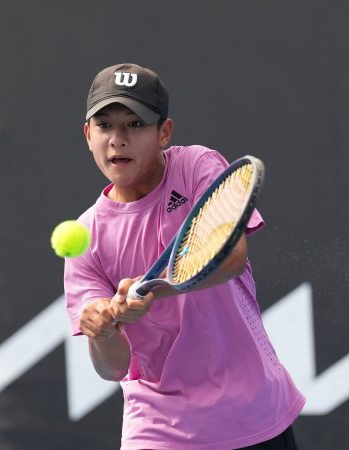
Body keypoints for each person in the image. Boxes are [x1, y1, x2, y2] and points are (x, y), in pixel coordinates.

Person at [63, 63, 304, 450]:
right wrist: (103, 330)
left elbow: (231, 258)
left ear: (164, 133)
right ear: (88, 134)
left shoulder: (196, 168)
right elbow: (113, 368)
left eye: (135, 125)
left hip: (253, 412)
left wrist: (152, 293)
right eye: (105, 125)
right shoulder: (86, 237)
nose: (117, 140)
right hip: (158, 430)